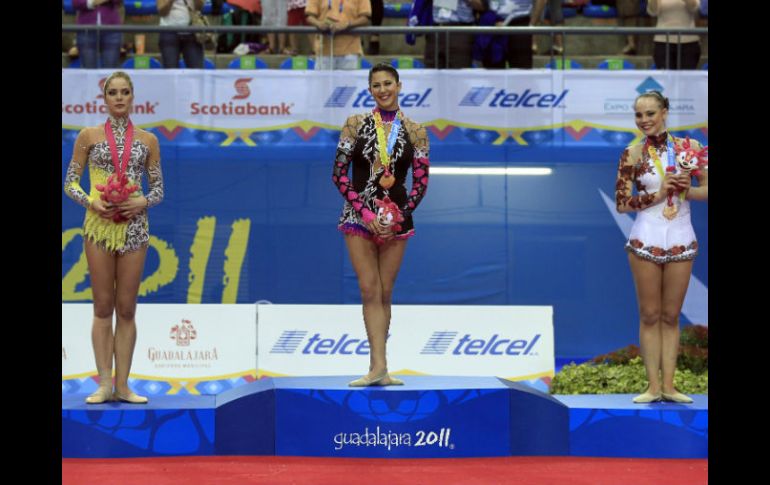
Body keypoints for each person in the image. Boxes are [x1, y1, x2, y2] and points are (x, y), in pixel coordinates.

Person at [64, 71, 165, 404]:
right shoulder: (88, 136)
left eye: (124, 92)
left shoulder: (148, 140)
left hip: (135, 227)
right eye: (113, 93)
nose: (119, 98)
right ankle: (104, 384)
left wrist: (144, 200)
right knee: (103, 306)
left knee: (126, 309)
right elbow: (70, 183)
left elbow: (160, 188)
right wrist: (91, 201)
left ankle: (123, 386)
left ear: (132, 96)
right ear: (104, 98)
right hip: (99, 227)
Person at [332, 64, 430, 386]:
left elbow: (421, 182)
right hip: (358, 217)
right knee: (369, 289)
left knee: (386, 292)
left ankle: (382, 368)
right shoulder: (354, 124)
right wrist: (366, 213)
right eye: (376, 85)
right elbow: (338, 174)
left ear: (399, 86)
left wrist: (399, 216)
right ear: (370, 90)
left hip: (397, 220)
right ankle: (376, 367)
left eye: (388, 83)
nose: (383, 89)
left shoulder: (416, 131)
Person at [614, 91, 707, 404]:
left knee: (671, 315)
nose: (644, 121)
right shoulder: (632, 153)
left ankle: (670, 386)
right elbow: (622, 203)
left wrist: (688, 191)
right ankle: (652, 387)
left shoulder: (689, 148)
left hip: (680, 234)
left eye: (650, 113)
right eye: (639, 115)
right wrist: (658, 194)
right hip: (647, 237)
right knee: (650, 314)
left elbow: (706, 188)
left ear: (665, 112)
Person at [305, 0, 372, 70]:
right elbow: (309, 16)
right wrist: (319, 24)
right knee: (322, 80)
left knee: (348, 81)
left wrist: (347, 24)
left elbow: (365, 18)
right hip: (324, 50)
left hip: (350, 50)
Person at [481, 0, 547, 69]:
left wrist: (531, 25)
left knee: (521, 72)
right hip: (491, 23)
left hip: (519, 25)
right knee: (492, 73)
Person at [648, 0, 702, 69]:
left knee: (687, 77)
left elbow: (694, 8)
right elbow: (653, 12)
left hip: (689, 42)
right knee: (666, 77)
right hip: (663, 42)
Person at [72, 0, 123, 69]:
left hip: (111, 29)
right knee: (88, 69)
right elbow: (76, 3)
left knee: (110, 69)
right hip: (86, 30)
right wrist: (92, 2)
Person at [157, 0, 205, 68]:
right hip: (169, 31)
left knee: (196, 71)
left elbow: (200, 7)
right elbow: (162, 12)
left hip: (192, 32)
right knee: (170, 71)